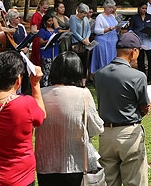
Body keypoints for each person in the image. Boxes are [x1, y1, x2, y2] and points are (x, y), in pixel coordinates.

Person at [0, 51, 46, 186]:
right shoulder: (26, 104)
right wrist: (35, 85)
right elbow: (41, 116)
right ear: (18, 79)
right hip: (20, 178)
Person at [35, 52, 104, 186]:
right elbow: (96, 127)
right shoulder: (83, 94)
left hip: (46, 164)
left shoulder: (40, 94)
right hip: (76, 163)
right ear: (78, 71)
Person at [94, 31, 151, 186]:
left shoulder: (99, 74)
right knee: (135, 180)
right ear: (134, 52)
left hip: (105, 134)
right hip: (128, 133)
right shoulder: (138, 76)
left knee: (109, 180)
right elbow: (144, 107)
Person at [128, 1, 151, 82]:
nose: (144, 10)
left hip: (150, 42)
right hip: (139, 42)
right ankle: (142, 77)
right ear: (139, 8)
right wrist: (131, 33)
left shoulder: (150, 17)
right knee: (140, 60)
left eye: (146, 8)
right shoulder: (134, 18)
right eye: (143, 8)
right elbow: (130, 28)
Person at [90, 0, 120, 74]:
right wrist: (108, 29)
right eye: (109, 7)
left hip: (112, 43)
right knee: (104, 59)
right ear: (105, 7)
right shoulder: (100, 17)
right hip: (103, 42)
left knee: (112, 60)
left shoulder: (112, 16)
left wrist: (118, 28)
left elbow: (116, 28)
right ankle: (102, 75)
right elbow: (96, 30)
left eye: (112, 8)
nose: (111, 9)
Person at [37, 11, 61, 87]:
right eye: (49, 21)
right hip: (47, 53)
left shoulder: (54, 30)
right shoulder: (42, 31)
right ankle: (45, 86)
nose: (51, 23)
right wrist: (49, 40)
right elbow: (40, 42)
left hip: (55, 52)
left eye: (52, 21)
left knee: (54, 71)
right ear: (45, 22)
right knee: (47, 71)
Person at [69, 3, 93, 74]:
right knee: (76, 64)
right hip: (76, 44)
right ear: (79, 11)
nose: (85, 15)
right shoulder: (73, 18)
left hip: (85, 43)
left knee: (85, 63)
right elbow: (74, 31)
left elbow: (89, 29)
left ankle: (83, 82)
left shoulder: (85, 19)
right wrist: (82, 40)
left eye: (86, 13)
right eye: (83, 13)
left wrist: (87, 38)